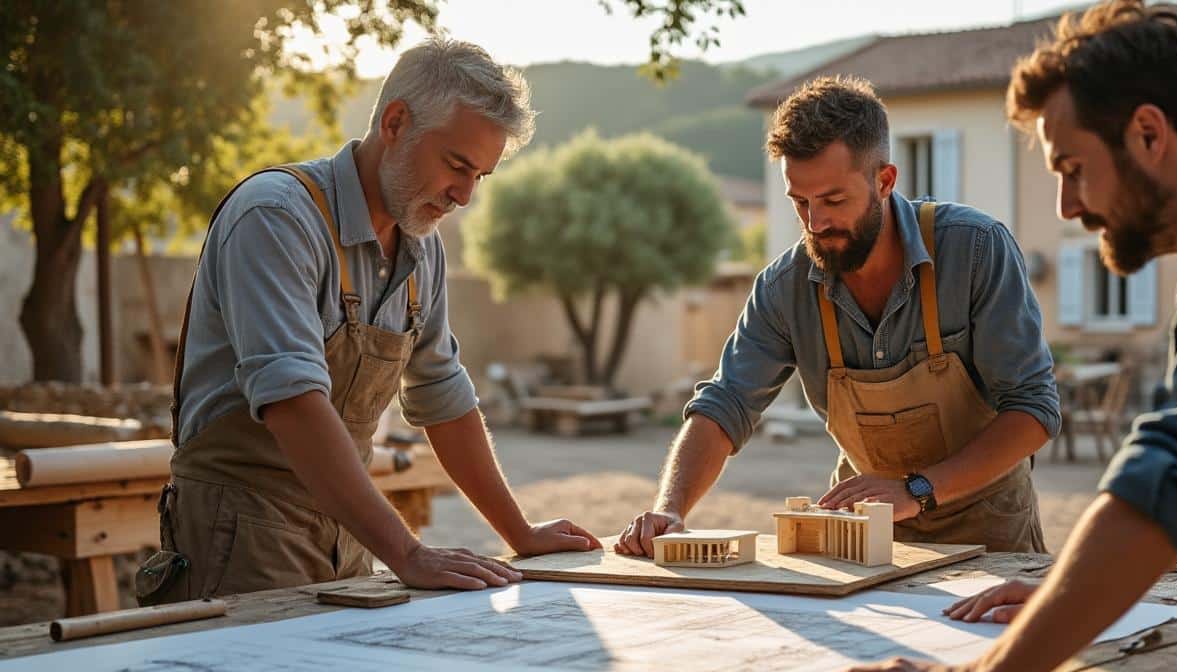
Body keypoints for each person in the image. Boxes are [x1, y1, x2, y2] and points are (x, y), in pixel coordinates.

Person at [800, 3, 1177, 672]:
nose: (1068, 206)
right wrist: (1069, 590)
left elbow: (1169, 482)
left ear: (1149, 133)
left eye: (1072, 169)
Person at [137, 38, 600, 605]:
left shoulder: (421, 246)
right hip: (237, 538)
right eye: (457, 165)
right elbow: (293, 401)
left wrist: (519, 533)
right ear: (395, 123)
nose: (463, 196)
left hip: (350, 536)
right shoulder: (276, 217)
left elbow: (442, 394)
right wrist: (407, 553)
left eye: (480, 176)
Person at [616, 75, 1060, 558]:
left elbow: (1033, 408)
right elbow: (725, 404)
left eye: (833, 200)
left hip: (991, 535)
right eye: (800, 202)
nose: (815, 223)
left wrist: (916, 490)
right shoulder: (783, 288)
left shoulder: (975, 249)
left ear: (884, 181)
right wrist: (670, 509)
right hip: (861, 535)